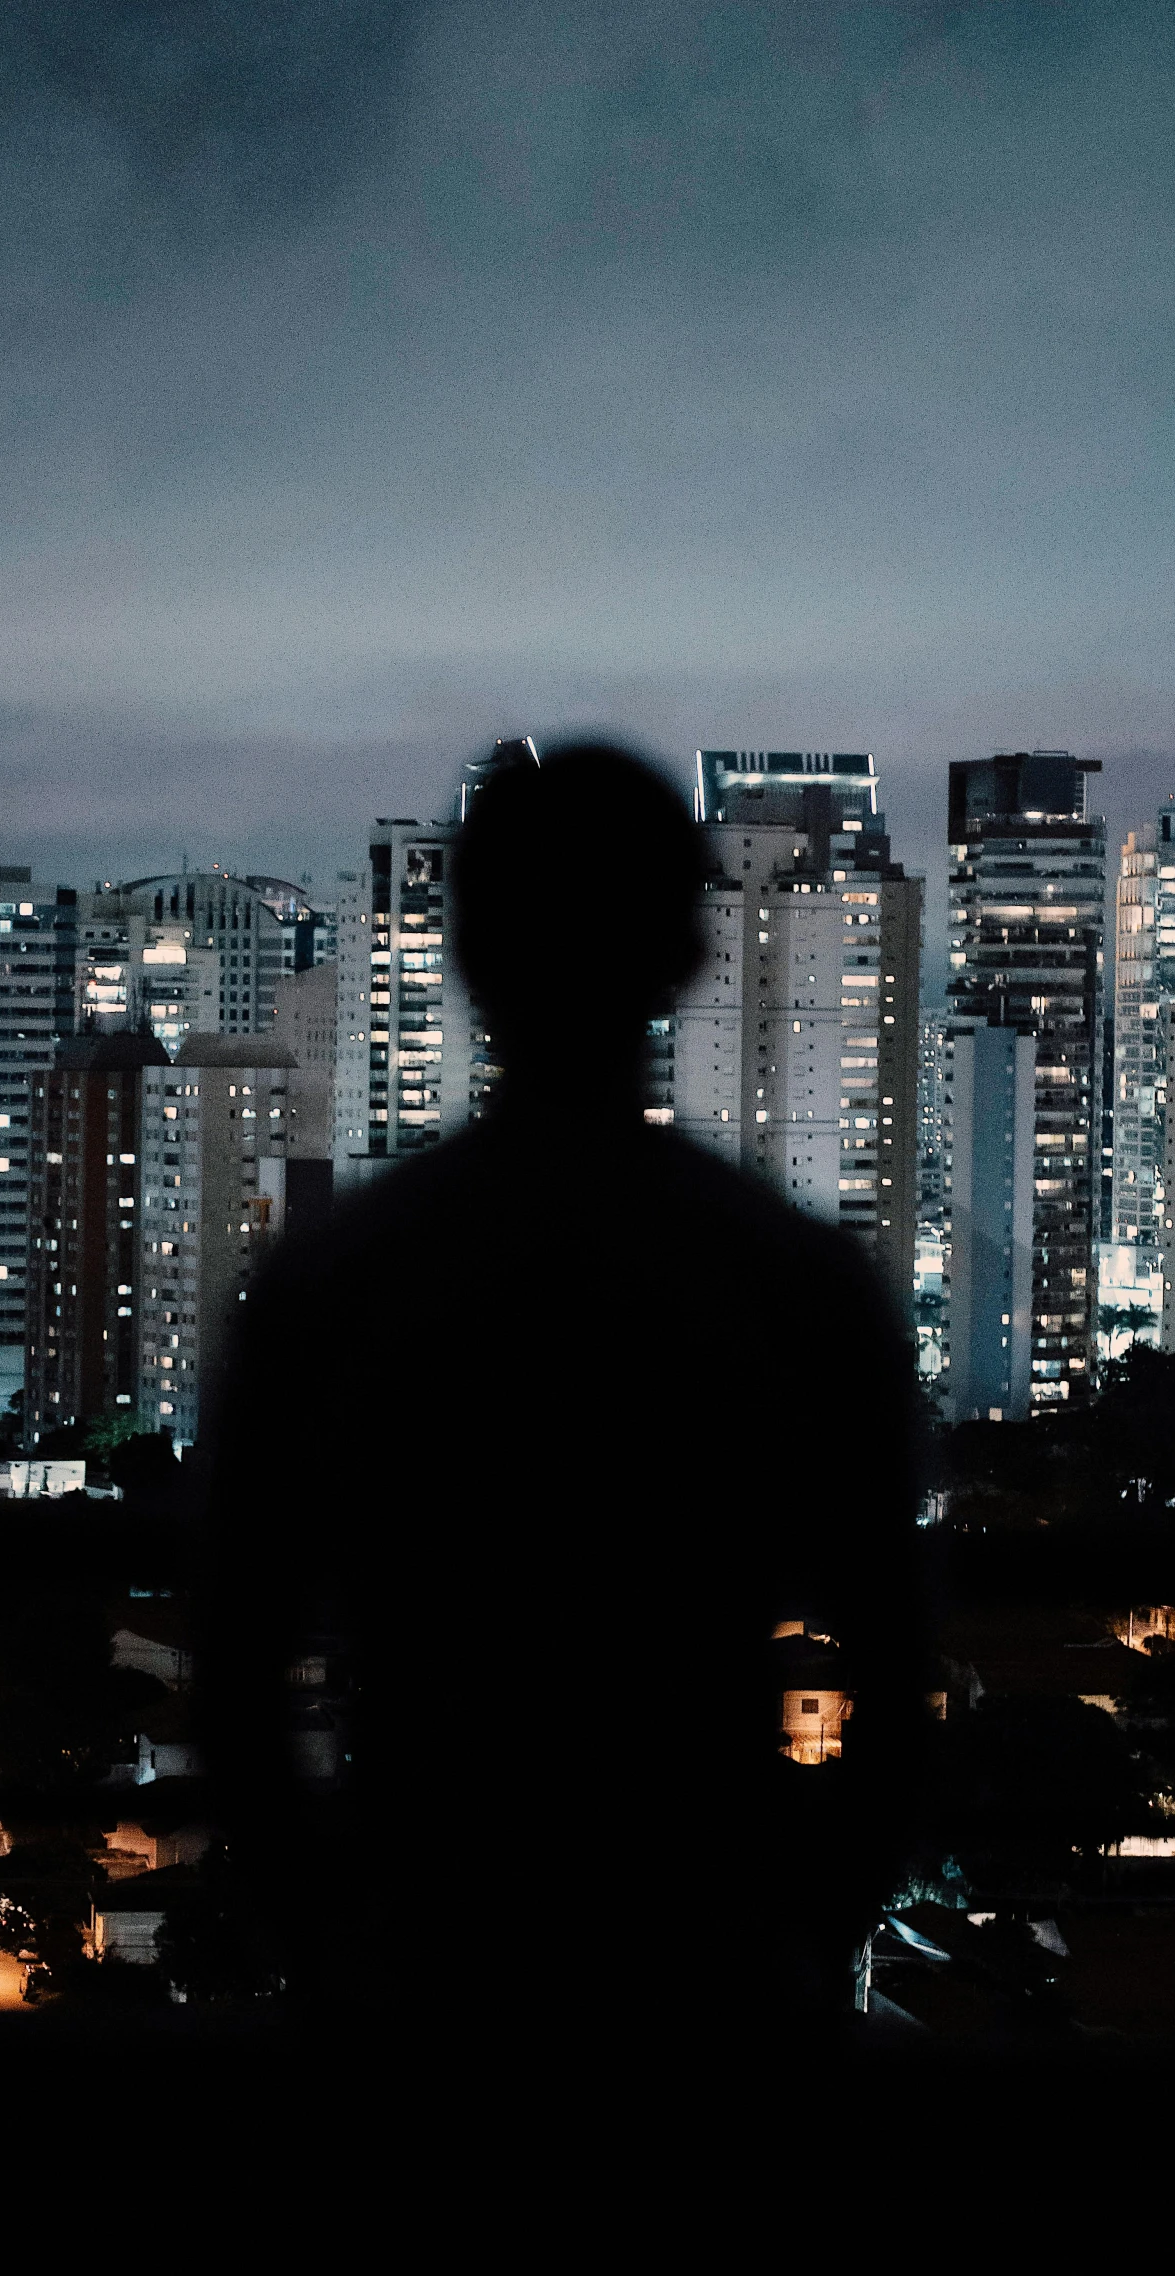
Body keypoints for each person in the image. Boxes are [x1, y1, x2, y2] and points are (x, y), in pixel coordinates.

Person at [202, 741, 928, 2043]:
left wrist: (331, 1934)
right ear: (692, 956)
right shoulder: (798, 1286)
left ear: (466, 952)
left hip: (423, 1945)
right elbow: (896, 1659)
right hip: (707, 1957)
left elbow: (238, 1669)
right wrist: (801, 1934)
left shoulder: (334, 1284)